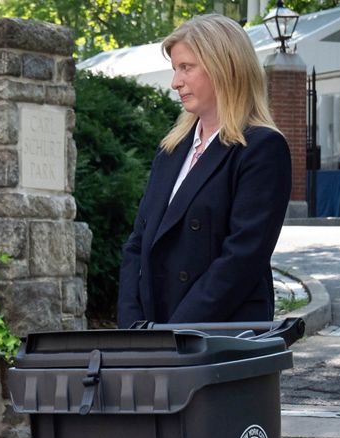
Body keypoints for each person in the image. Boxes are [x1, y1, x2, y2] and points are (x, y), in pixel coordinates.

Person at [117, 14, 291, 327]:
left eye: (186, 67)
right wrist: (132, 326)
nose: (175, 82)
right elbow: (137, 243)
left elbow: (242, 258)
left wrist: (176, 333)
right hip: (154, 333)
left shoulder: (262, 148)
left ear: (224, 66)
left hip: (219, 338)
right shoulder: (171, 150)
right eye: (174, 69)